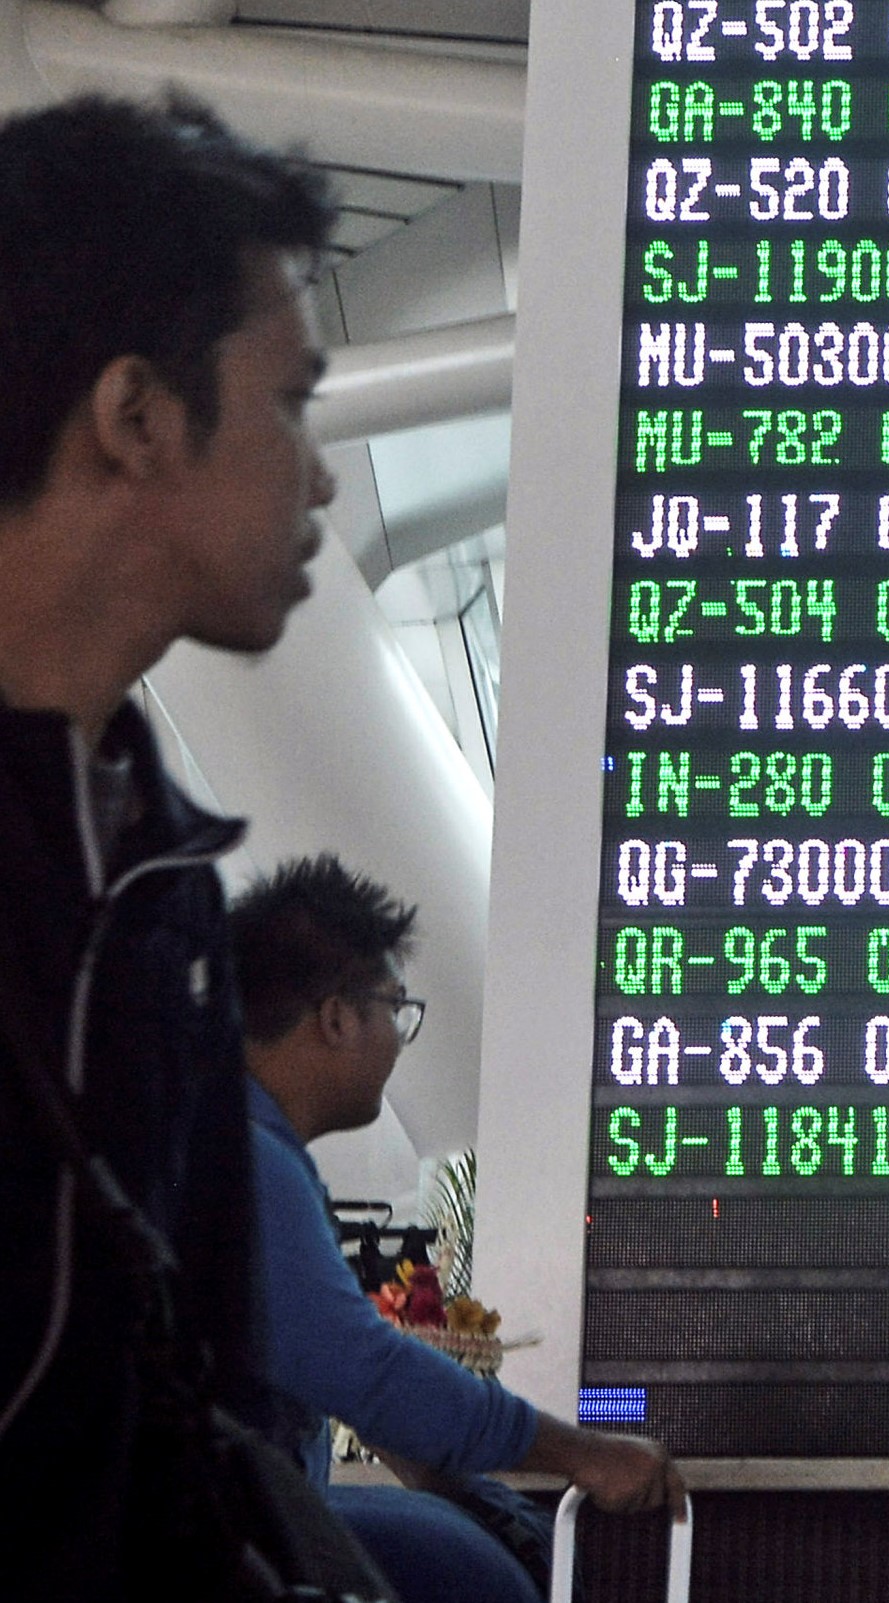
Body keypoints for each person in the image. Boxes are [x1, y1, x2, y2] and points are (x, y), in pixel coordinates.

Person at [0, 94, 341, 1596]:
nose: (321, 474)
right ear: (136, 414)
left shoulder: (164, 888)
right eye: (291, 403)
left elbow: (174, 1414)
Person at [230, 856, 686, 1603]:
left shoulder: (228, 1144)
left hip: (214, 1515)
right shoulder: (245, 1163)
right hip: (198, 1539)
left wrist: (427, 1449)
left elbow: (330, 1363)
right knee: (474, 1575)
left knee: (457, 1540)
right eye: (394, 1006)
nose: (400, 1035)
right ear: (338, 1017)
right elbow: (366, 1369)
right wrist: (586, 1454)